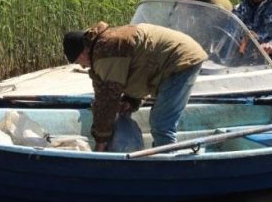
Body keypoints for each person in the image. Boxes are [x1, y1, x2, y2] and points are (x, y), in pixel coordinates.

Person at [63, 21, 207, 151]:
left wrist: (101, 143)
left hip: (180, 60)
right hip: (174, 57)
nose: (82, 66)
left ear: (83, 51)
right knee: (160, 123)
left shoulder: (106, 51)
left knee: (161, 124)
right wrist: (131, 99)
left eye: (78, 61)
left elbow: (107, 100)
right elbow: (138, 68)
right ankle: (162, 159)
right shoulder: (104, 45)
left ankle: (168, 170)